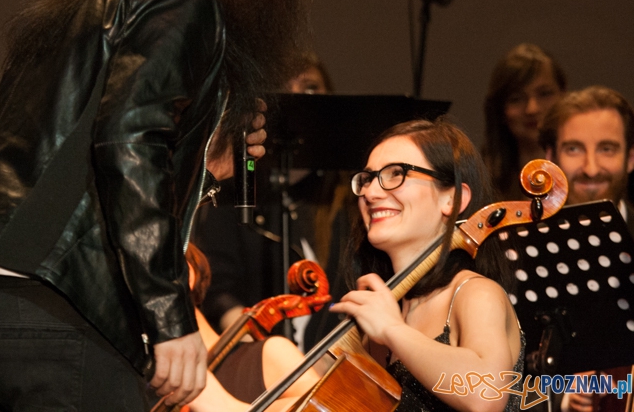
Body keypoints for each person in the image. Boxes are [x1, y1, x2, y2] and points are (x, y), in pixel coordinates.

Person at [0, 0, 310, 412]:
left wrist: (207, 168)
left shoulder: (76, 15)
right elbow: (130, 144)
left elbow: (89, 162)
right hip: (53, 310)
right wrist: (170, 319)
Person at [331, 119, 524, 412]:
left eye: (396, 174)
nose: (370, 193)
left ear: (452, 198)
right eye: (368, 178)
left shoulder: (474, 293)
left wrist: (393, 329)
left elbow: (485, 395)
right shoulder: (380, 319)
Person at [193, 60, 353, 352]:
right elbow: (219, 291)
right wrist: (263, 357)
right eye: (282, 89)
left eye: (310, 87)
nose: (296, 99)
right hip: (263, 365)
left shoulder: (349, 201)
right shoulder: (234, 194)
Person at [539, 85, 634, 412]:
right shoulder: (523, 246)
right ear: (550, 157)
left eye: (607, 149)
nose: (592, 168)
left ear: (631, 157)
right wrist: (558, 394)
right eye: (575, 149)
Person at [175, 243, 318, 412]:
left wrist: (229, 408)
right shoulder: (152, 394)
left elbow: (327, 406)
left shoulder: (269, 356)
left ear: (185, 277)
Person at [483, 43, 567, 199]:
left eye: (544, 94)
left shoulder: (584, 174)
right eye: (516, 99)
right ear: (500, 110)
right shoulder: (480, 182)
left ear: (564, 97)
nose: (532, 109)